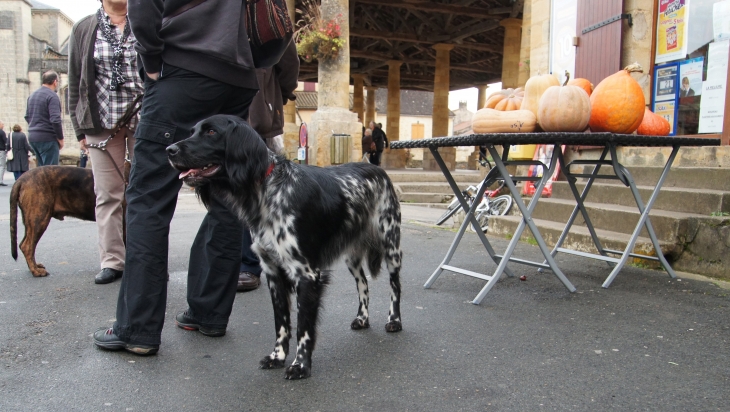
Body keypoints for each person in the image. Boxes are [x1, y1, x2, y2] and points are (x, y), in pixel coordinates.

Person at [93, 0, 264, 355]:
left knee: (148, 200)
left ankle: (136, 329)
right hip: (238, 77)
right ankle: (209, 314)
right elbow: (277, 22)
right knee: (227, 198)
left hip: (182, 70)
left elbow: (142, 7)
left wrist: (152, 62)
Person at [68, 0, 144, 285]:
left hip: (144, 118)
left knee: (145, 192)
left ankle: (142, 257)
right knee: (108, 194)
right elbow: (76, 81)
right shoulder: (85, 28)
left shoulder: (147, 20)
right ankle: (113, 261)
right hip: (100, 122)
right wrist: (79, 130)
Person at [237, 41, 299, 292]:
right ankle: (242, 261)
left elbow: (288, 60)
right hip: (220, 106)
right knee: (233, 193)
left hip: (256, 114)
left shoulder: (264, 4)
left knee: (261, 193)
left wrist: (272, 96)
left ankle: (251, 263)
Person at [25, 71, 64, 166]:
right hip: (48, 138)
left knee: (41, 173)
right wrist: (60, 138)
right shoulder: (52, 96)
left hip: (33, 137)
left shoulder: (32, 95)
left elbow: (27, 116)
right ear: (55, 82)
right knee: (51, 173)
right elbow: (55, 119)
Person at [0, 121, 7, 186]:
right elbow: (6, 141)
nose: (3, 125)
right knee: (2, 166)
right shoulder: (2, 132)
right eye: (2, 124)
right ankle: (0, 180)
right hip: (1, 150)